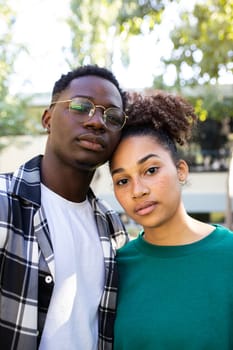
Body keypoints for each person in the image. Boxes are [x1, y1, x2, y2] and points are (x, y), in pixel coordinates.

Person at [0, 64, 129, 350]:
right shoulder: (4, 202)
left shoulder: (113, 227)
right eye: (81, 106)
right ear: (48, 119)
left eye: (113, 116)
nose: (97, 121)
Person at [110, 91, 233, 349]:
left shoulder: (228, 254)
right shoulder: (115, 268)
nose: (138, 190)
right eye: (123, 180)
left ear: (180, 170)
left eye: (151, 170)